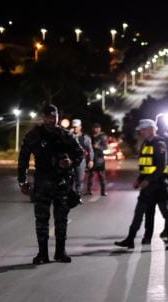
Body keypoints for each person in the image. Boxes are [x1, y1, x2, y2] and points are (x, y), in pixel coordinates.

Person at [18, 104, 85, 264]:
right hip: (42, 184)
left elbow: (80, 153)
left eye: (54, 117)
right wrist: (22, 180)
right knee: (41, 221)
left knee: (61, 220)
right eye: (48, 116)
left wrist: (70, 162)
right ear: (43, 117)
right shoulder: (34, 136)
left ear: (57, 117)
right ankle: (42, 254)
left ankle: (60, 252)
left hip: (61, 184)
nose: (51, 120)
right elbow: (23, 159)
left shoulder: (65, 135)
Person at [114, 119, 168, 250]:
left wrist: (147, 180)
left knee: (167, 214)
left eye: (143, 129)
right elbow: (146, 166)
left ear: (151, 129)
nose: (141, 132)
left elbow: (161, 167)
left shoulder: (159, 144)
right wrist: (140, 179)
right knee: (139, 212)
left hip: (160, 185)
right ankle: (130, 239)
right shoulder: (146, 143)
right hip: (149, 186)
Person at [71, 119, 92, 195]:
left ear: (80, 127)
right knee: (70, 179)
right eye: (73, 127)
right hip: (71, 160)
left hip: (81, 161)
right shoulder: (69, 136)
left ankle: (78, 195)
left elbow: (90, 149)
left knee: (79, 179)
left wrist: (91, 160)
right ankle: (70, 196)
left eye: (76, 127)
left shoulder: (85, 138)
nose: (75, 128)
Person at [86, 123, 108, 196]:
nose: (96, 129)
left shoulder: (103, 136)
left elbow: (105, 147)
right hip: (92, 157)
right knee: (91, 175)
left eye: (97, 128)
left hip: (99, 158)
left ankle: (103, 191)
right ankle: (89, 190)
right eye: (95, 128)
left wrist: (98, 146)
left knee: (101, 175)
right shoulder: (90, 136)